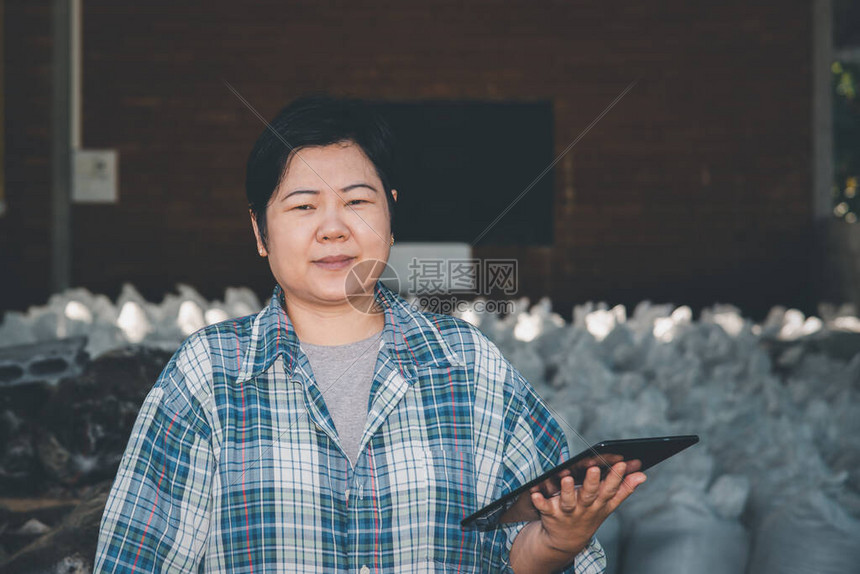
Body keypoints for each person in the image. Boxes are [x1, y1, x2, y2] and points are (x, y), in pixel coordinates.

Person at [93, 95, 646, 573]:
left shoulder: (469, 368)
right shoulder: (209, 378)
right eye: (304, 206)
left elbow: (515, 556)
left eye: (357, 201)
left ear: (391, 213)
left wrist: (557, 541)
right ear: (260, 231)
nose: (333, 227)